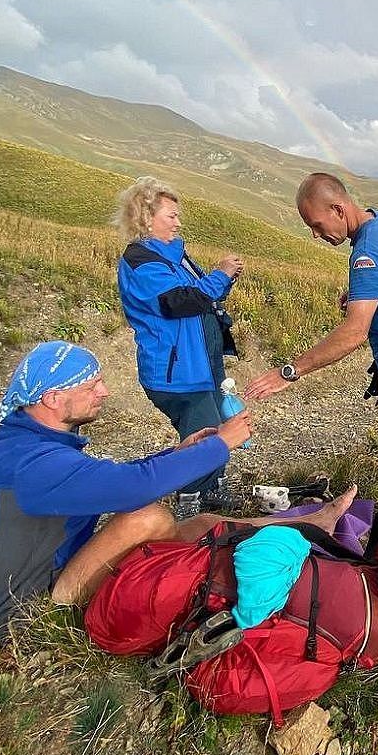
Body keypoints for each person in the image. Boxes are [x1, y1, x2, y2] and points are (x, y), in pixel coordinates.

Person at [0, 340, 253, 635]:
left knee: (203, 524)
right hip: (29, 614)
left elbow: (111, 479)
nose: (105, 392)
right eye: (92, 386)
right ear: (52, 398)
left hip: (62, 571)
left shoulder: (28, 443)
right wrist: (220, 445)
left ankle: (289, 527)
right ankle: (179, 593)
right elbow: (134, 488)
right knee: (150, 520)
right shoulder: (28, 464)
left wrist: (180, 454)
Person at [246, 173, 378, 529]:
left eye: (318, 225)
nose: (316, 235)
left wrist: (287, 372)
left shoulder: (368, 251)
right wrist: (364, 296)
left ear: (338, 208)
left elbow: (353, 333)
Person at [114, 176, 245, 518]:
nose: (178, 221)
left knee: (214, 429)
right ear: (146, 216)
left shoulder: (174, 255)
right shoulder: (141, 261)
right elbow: (180, 302)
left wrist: (223, 281)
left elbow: (204, 298)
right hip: (177, 373)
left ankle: (210, 491)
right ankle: (191, 508)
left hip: (199, 366)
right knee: (203, 437)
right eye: (171, 215)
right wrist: (220, 274)